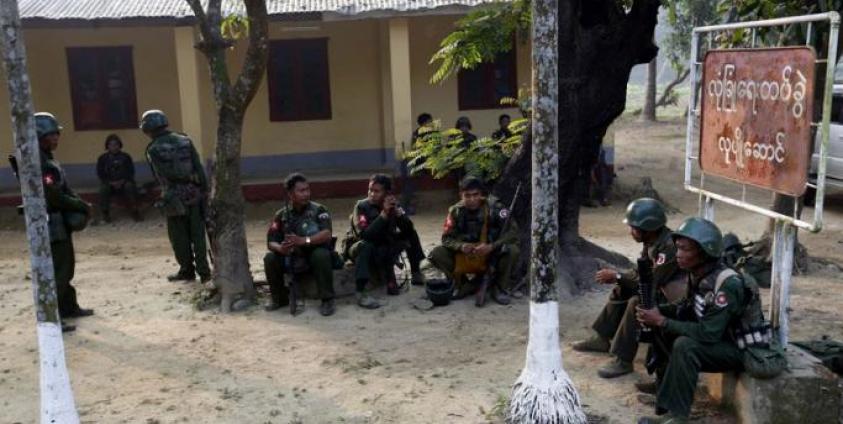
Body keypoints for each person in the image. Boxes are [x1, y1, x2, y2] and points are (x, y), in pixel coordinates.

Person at [636, 217, 764, 424]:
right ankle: (666, 402)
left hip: (740, 349)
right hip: (720, 339)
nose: (678, 255)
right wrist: (656, 312)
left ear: (704, 252)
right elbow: (684, 306)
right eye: (677, 248)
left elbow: (709, 333)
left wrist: (661, 321)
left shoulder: (726, 284)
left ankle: (678, 417)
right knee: (663, 329)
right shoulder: (698, 273)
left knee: (685, 345)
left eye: (685, 249)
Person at [572, 198, 684, 380]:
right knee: (622, 288)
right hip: (660, 290)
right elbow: (640, 272)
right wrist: (620, 278)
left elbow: (652, 282)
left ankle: (623, 359)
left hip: (674, 299)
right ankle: (602, 338)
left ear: (648, 228)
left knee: (637, 303)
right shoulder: (653, 242)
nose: (631, 231)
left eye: (634, 227)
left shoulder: (668, 249)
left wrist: (617, 276)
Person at [36, 112, 95, 332]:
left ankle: (69, 307)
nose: (56, 138)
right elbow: (52, 196)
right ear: (40, 135)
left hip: (60, 221)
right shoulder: (39, 162)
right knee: (59, 271)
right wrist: (80, 206)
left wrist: (79, 202)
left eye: (56, 134)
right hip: (52, 222)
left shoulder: (48, 158)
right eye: (51, 134)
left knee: (67, 266)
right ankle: (53, 319)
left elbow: (63, 188)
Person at [141, 109, 211, 283]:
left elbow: (163, 173)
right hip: (194, 193)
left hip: (173, 196)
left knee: (179, 237)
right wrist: (204, 188)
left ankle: (187, 270)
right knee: (198, 234)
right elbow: (198, 167)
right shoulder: (185, 140)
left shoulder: (153, 149)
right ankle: (204, 272)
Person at [427, 176, 519, 307]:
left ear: (481, 194)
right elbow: (446, 239)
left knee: (512, 250)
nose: (472, 199)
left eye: (475, 195)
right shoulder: (455, 211)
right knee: (437, 253)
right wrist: (461, 246)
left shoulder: (495, 208)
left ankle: (499, 287)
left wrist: (492, 246)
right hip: (465, 256)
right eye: (467, 196)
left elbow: (513, 233)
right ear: (461, 195)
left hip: (490, 256)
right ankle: (463, 285)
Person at [344, 174, 426, 309]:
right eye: (370, 190)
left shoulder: (392, 204)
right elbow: (365, 235)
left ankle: (416, 272)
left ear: (386, 193)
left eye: (377, 191)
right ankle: (361, 291)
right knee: (366, 244)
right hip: (360, 248)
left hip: (384, 246)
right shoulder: (361, 206)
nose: (372, 194)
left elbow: (408, 229)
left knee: (411, 234)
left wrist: (400, 216)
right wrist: (383, 215)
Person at [263, 173, 336, 317]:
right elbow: (270, 241)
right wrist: (281, 249)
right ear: (290, 194)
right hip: (292, 256)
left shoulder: (319, 210)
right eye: (301, 191)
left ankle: (327, 299)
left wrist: (304, 241)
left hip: (312, 255)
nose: (306, 194)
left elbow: (327, 234)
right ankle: (279, 298)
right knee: (270, 258)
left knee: (320, 254)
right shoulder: (281, 215)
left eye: (307, 189)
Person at [96, 134, 141, 222]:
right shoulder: (102, 158)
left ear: (119, 145)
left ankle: (135, 211)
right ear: (107, 146)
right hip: (109, 183)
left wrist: (122, 181)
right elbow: (100, 173)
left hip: (124, 182)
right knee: (103, 189)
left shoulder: (126, 157)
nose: (114, 147)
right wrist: (110, 182)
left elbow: (131, 172)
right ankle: (105, 213)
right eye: (111, 145)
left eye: (116, 144)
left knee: (130, 187)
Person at [400, 113, 434, 214]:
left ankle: (407, 207)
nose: (431, 124)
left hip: (418, 164)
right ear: (423, 123)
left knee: (410, 185)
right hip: (416, 164)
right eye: (429, 122)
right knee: (410, 185)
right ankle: (405, 207)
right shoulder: (419, 134)